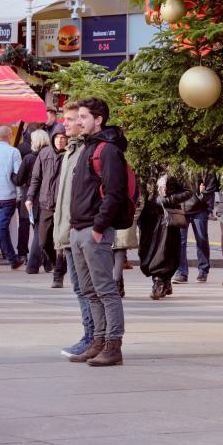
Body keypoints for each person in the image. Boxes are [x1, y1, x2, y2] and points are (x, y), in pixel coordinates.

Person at [67, 97, 130, 367]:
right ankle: (98, 342)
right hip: (79, 229)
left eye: (83, 116)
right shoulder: (87, 147)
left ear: (98, 119)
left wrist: (98, 227)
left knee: (105, 290)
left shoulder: (108, 150)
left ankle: (113, 345)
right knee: (89, 290)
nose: (79, 121)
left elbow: (114, 193)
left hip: (94, 230)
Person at [53, 103, 94, 357]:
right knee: (80, 288)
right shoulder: (70, 151)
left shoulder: (85, 151)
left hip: (81, 230)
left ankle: (92, 337)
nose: (64, 124)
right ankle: (90, 335)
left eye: (70, 119)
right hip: (69, 231)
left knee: (88, 288)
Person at [139, 173, 191, 299]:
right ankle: (165, 281)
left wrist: (168, 199)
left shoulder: (175, 169)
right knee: (146, 250)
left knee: (164, 251)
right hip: (148, 216)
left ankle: (159, 281)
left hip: (167, 217)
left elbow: (188, 191)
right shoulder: (147, 166)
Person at [26, 131, 66, 281]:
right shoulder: (45, 153)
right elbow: (36, 178)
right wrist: (30, 197)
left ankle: (58, 273)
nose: (60, 141)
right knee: (43, 240)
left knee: (61, 239)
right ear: (52, 138)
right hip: (46, 203)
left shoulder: (69, 154)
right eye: (57, 138)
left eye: (63, 138)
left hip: (64, 204)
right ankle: (57, 263)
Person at [172, 169, 217, 284]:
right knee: (180, 242)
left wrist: (200, 197)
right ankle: (181, 272)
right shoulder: (178, 163)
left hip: (199, 208)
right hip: (182, 208)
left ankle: (203, 270)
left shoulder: (204, 165)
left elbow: (210, 186)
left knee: (201, 239)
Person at [12, 130, 44, 268]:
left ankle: (29, 259)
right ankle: (47, 261)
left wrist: (11, 175)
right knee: (41, 228)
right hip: (45, 196)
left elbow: (19, 179)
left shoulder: (29, 158)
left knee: (31, 227)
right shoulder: (51, 155)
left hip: (30, 196)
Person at [0, 126, 22, 266]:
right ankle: (13, 259)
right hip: (7, 195)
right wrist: (19, 195)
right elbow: (18, 176)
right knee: (1, 228)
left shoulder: (14, 151)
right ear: (9, 135)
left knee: (2, 228)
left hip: (5, 196)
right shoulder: (13, 152)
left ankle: (13, 259)